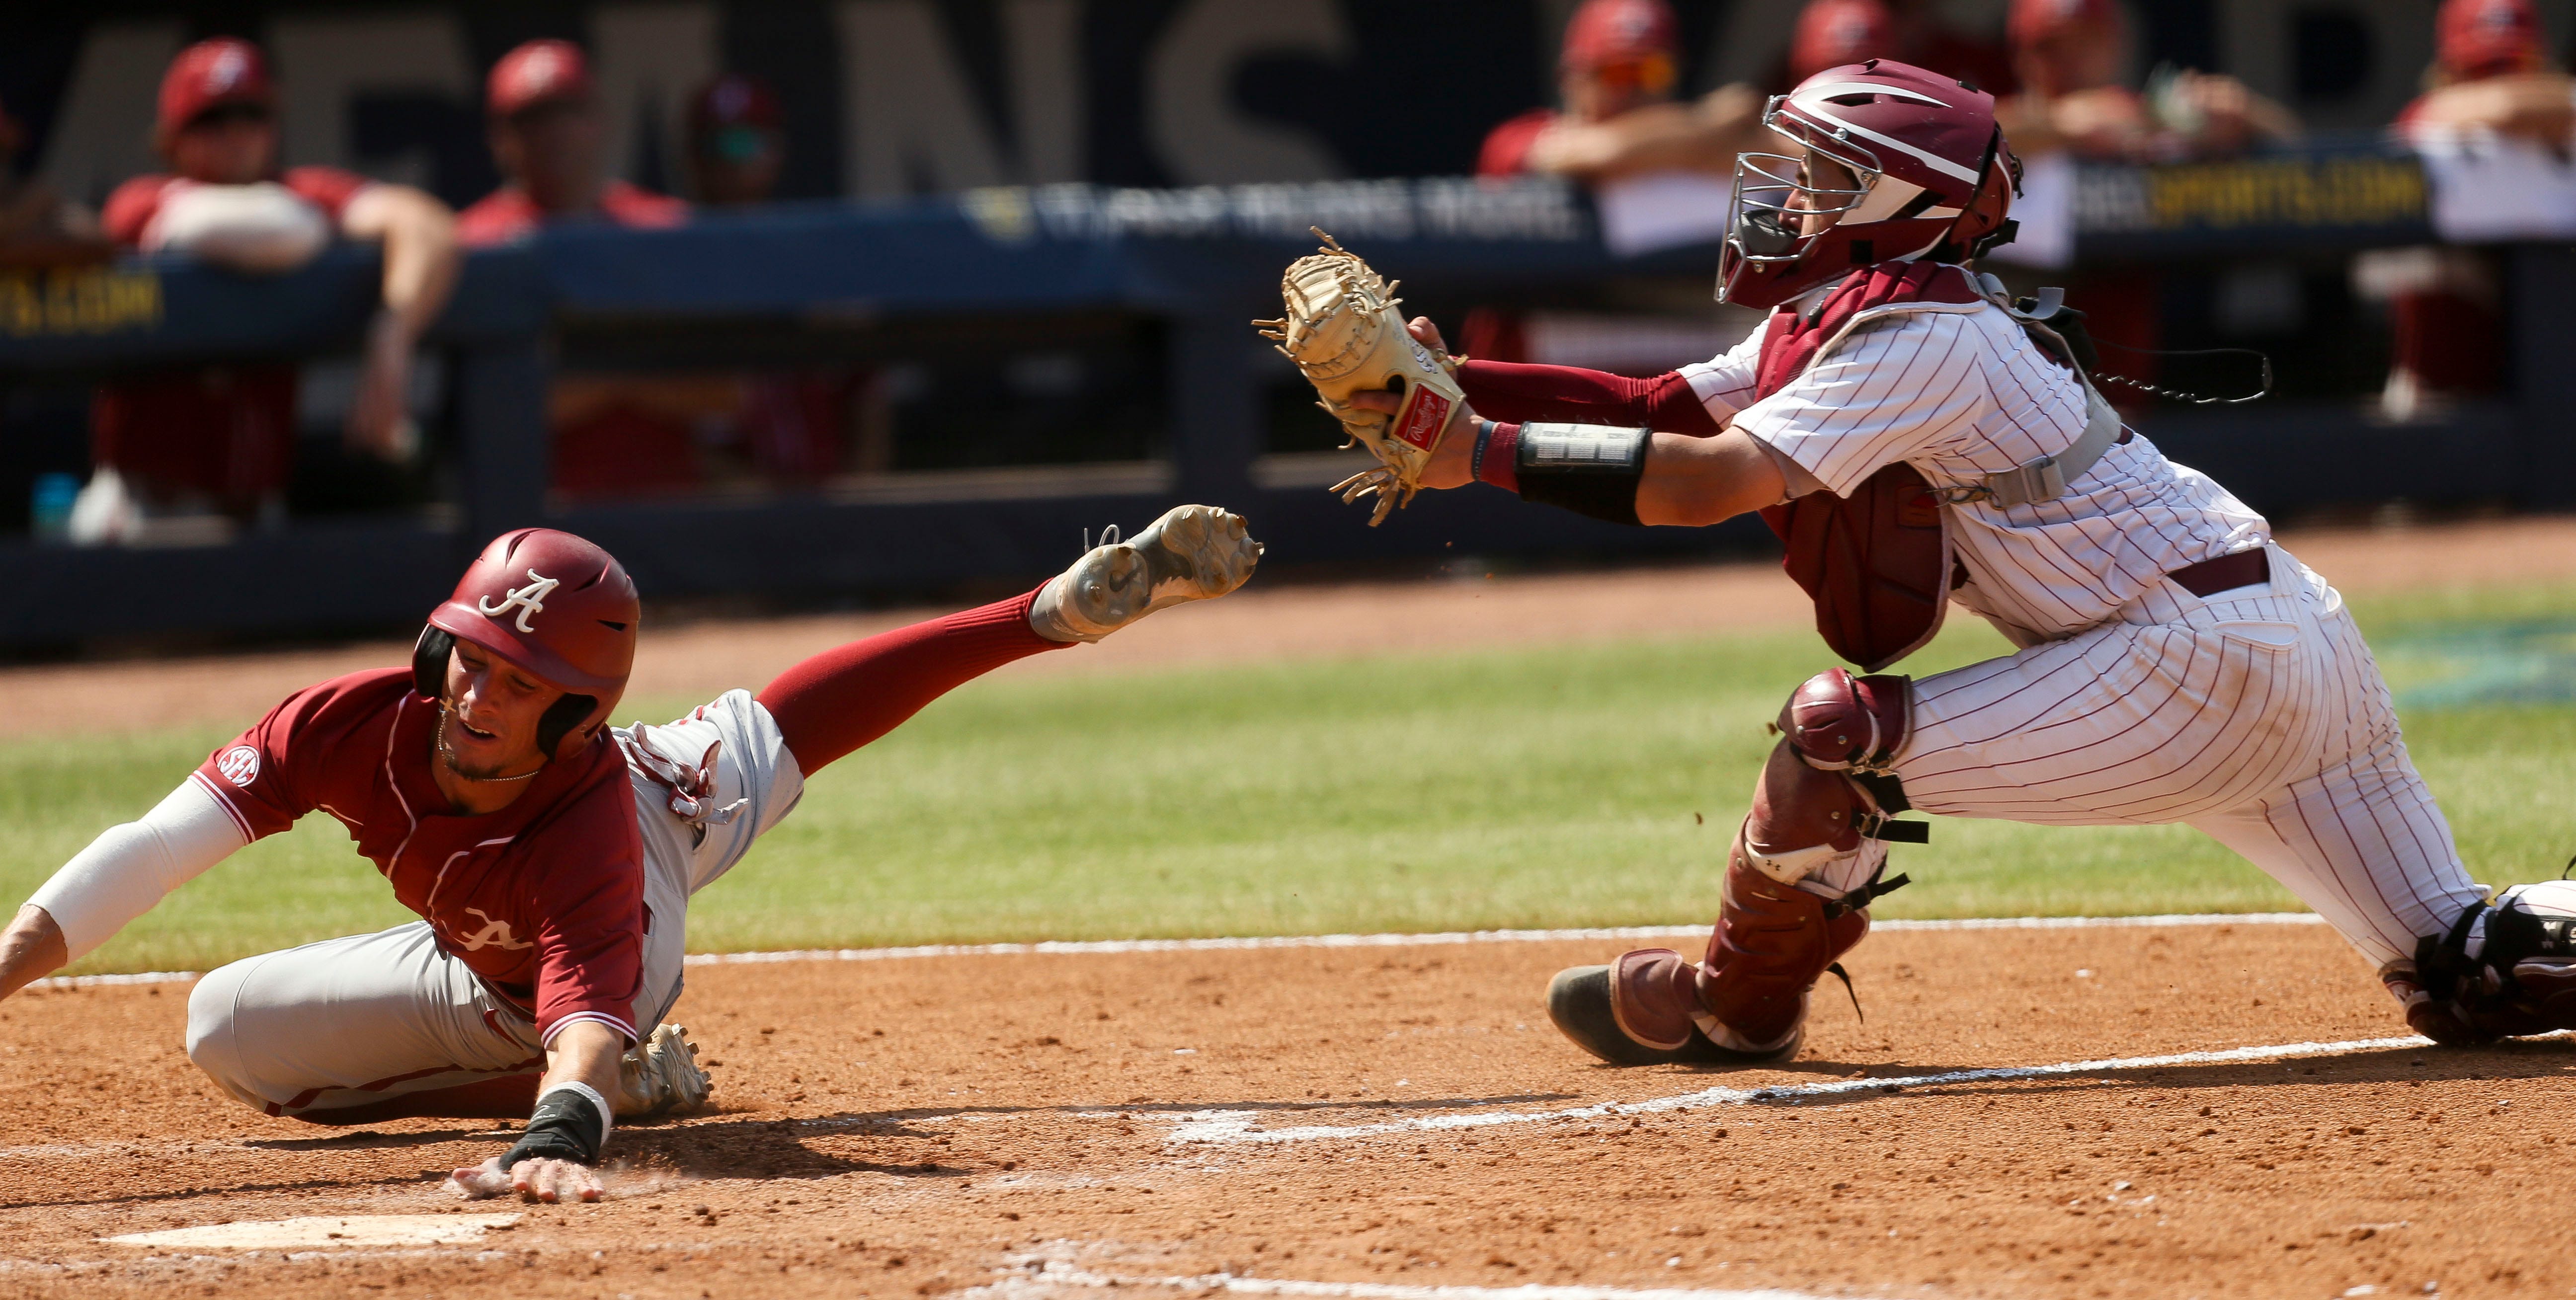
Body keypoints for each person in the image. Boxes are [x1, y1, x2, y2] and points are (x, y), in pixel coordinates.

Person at [1347, 60, 2562, 1067]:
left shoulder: (1922, 331)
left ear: (1894, 198)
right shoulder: (1852, 312)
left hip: (2191, 662)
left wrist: (1475, 451)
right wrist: (1439, 385)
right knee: (2470, 968)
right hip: (2274, 635)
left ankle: (1734, 1001)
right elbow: (1659, 403)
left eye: (1819, 176)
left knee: (1836, 737)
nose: (1783, 194)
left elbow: (1704, 480)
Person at [0, 506, 1262, 1203]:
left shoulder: (591, 820)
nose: (478, 698)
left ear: (571, 716)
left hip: (609, 913)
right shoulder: (347, 724)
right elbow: (154, 846)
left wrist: (568, 1120)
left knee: (581, 1006)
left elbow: (591, 1011)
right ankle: (1044, 611)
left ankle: (1036, 616)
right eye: (472, 662)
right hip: (513, 923)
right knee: (223, 1027)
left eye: (519, 683)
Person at [80, 38, 459, 539]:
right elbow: (239, 228)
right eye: (213, 118)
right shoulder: (141, 203)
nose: (237, 132)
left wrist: (392, 338)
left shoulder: (301, 194)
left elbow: (425, 223)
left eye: (251, 114)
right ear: (171, 141)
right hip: (143, 514)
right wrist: (322, 224)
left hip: (254, 514)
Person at [2362, 0, 2572, 421]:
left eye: (2513, 63)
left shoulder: (2566, 132)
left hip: (2558, 406)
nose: (2498, 80)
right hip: (2443, 405)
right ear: (2447, 71)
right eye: (2480, 67)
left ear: (2541, 65)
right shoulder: (2422, 129)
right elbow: (2459, 112)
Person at [455, 40, 688, 247]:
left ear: (600, 119)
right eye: (534, 118)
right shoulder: (467, 244)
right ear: (499, 139)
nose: (555, 131)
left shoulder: (665, 226)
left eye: (570, 113)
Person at [687, 74, 786, 208]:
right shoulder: (668, 224)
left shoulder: (807, 225)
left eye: (742, 143)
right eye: (712, 147)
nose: (729, 163)